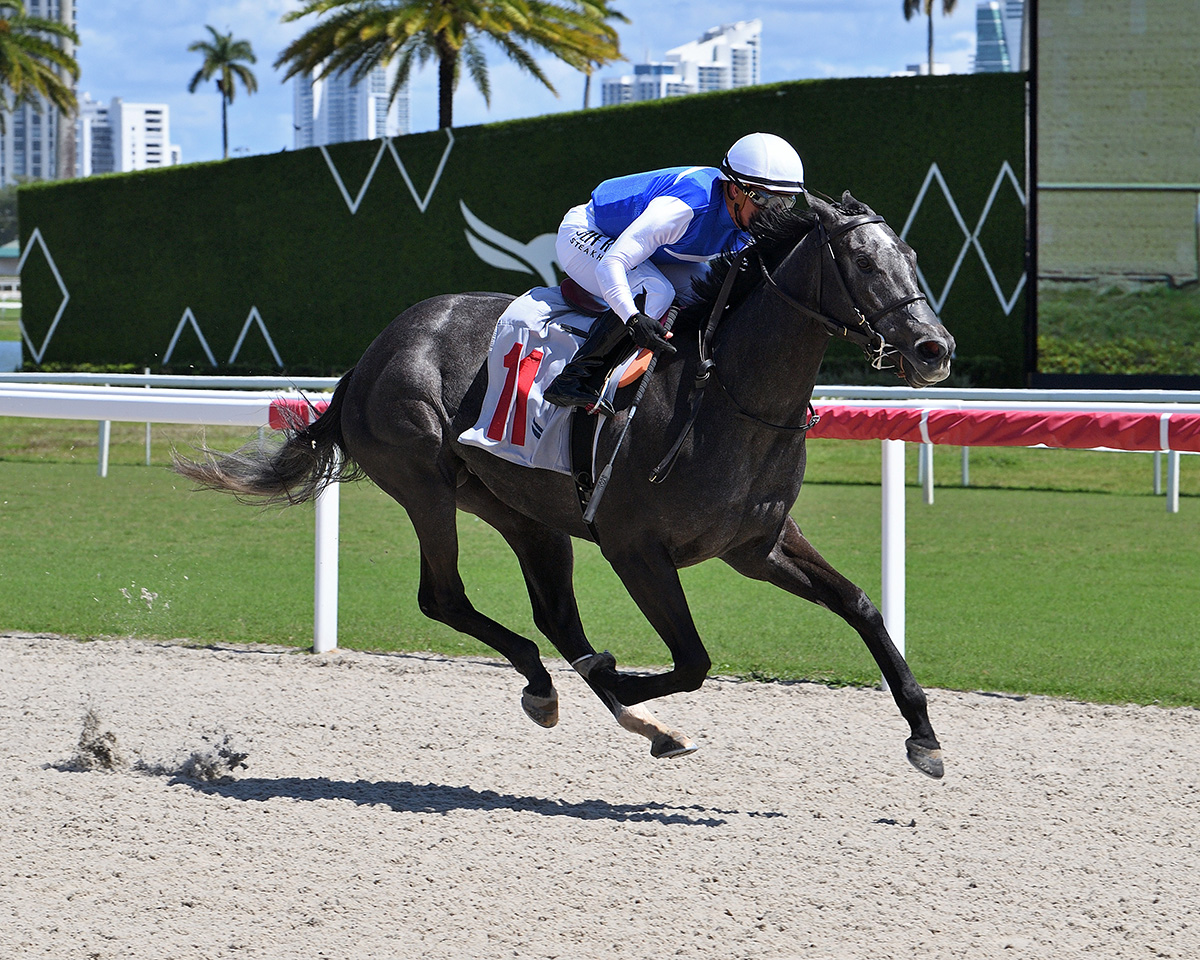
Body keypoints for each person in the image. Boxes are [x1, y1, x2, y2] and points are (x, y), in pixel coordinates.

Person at [544, 131, 806, 414]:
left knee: (710, 290)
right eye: (765, 199)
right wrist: (633, 319)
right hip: (586, 232)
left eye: (785, 202)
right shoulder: (686, 207)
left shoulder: (745, 217)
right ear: (734, 190)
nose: (775, 212)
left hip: (646, 253)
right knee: (657, 290)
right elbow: (613, 264)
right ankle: (574, 378)